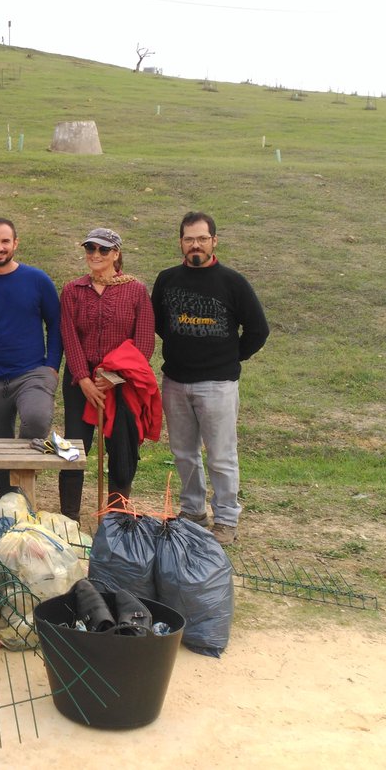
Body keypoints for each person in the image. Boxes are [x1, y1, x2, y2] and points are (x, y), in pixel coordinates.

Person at [151, 211, 269, 546]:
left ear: (214, 241)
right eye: (189, 239)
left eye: (202, 238)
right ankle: (193, 512)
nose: (196, 245)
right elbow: (159, 323)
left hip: (218, 384)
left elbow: (258, 329)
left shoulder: (232, 282)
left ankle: (227, 519)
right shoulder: (167, 280)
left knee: (220, 456)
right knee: (183, 453)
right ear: (181, 243)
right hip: (175, 381)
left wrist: (231, 356)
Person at [0, 218, 62, 499]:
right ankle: (10, 503)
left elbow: (56, 324)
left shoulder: (38, 280)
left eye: (5, 241)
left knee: (37, 420)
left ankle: (24, 483)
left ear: (15, 243)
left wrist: (52, 367)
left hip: (32, 373)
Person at [59, 227, 156, 520]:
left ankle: (116, 517)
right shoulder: (73, 290)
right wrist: (84, 379)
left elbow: (144, 342)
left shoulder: (136, 290)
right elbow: (69, 337)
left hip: (122, 383)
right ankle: (69, 517)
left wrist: (114, 378)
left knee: (121, 446)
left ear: (116, 254)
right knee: (74, 448)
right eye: (90, 248)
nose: (95, 254)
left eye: (103, 249)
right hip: (80, 382)